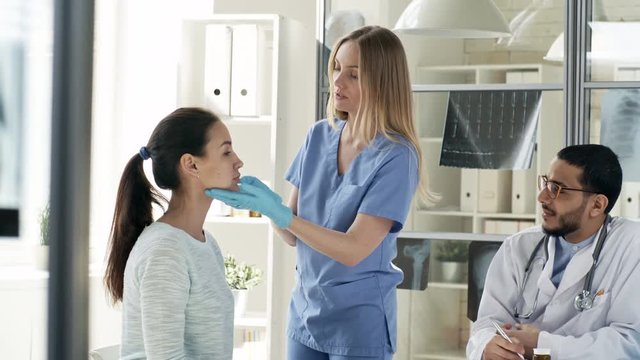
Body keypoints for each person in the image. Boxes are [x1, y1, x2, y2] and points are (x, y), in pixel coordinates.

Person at [207, 26, 427, 359]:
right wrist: (268, 207)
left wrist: (282, 214)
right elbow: (291, 235)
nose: (337, 82)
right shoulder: (319, 136)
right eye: (337, 68)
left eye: (353, 74)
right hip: (306, 314)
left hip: (358, 322)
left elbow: (354, 250)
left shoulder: (397, 156)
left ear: (382, 82)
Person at [466, 144, 640, 360]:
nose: (542, 197)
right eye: (546, 183)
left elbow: (628, 343)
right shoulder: (519, 246)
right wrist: (487, 345)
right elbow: (486, 323)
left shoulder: (631, 246)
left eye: (558, 189)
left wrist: (543, 345)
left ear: (597, 205)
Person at [104, 107, 243, 359]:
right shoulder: (165, 251)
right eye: (226, 151)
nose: (238, 161)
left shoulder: (205, 243)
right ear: (191, 164)